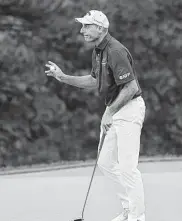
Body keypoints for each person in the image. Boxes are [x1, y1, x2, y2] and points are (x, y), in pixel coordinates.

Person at [45, 10, 146, 221]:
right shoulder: (98, 51)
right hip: (116, 109)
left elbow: (130, 87)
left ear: (100, 28)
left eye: (86, 26)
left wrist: (109, 112)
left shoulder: (115, 50)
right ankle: (129, 208)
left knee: (128, 167)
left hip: (129, 108)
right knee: (105, 162)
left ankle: (138, 217)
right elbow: (93, 80)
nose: (82, 30)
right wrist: (63, 77)